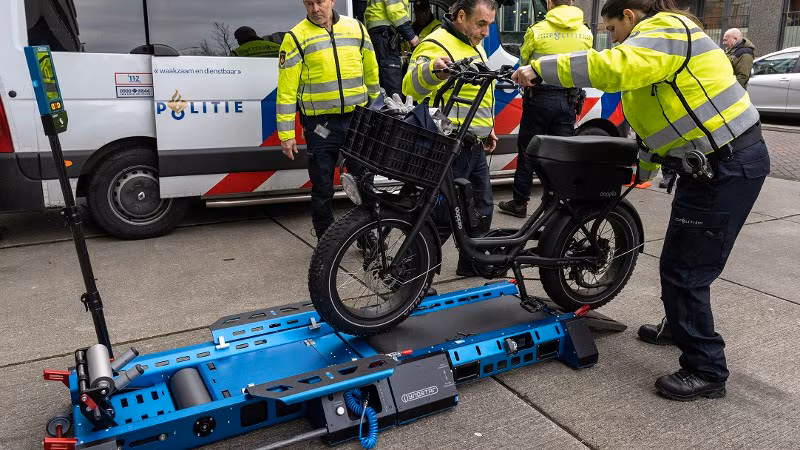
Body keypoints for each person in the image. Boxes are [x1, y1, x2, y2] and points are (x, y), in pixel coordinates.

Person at [513, 0, 769, 401]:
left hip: (727, 165)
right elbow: (657, 119)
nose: (610, 40)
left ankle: (706, 368)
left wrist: (541, 68)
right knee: (683, 258)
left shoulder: (666, 29)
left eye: (612, 30)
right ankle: (679, 325)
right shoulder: (656, 46)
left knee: (686, 270)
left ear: (630, 17)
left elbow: (611, 68)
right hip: (706, 165)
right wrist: (641, 172)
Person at [403, 0, 498, 277]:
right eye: (482, 24)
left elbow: (475, 95)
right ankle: (411, 275)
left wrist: (487, 127)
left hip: (473, 143)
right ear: (460, 16)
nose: (486, 32)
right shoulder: (436, 44)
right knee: (440, 216)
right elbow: (409, 84)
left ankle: (473, 265)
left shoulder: (472, 44)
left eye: (489, 25)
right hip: (447, 144)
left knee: (480, 208)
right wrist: (433, 69)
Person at [277, 0, 380, 239]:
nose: (315, 9)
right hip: (320, 125)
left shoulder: (356, 28)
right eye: (309, 3)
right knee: (322, 187)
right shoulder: (295, 37)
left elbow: (372, 73)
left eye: (320, 2)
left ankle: (368, 236)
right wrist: (286, 134)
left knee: (365, 183)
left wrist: (376, 110)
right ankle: (326, 241)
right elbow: (286, 91)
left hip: (357, 120)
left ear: (332, 1)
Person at [497, 0, 593, 218]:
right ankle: (556, 203)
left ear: (549, 3)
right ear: (571, 2)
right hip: (568, 100)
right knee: (561, 154)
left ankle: (520, 203)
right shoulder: (586, 33)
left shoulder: (537, 31)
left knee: (528, 151)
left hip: (539, 99)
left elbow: (524, 63)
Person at [366, 0, 420, 97]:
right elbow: (395, 9)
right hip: (385, 34)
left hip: (380, 34)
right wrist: (411, 36)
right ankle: (395, 110)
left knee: (382, 82)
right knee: (392, 85)